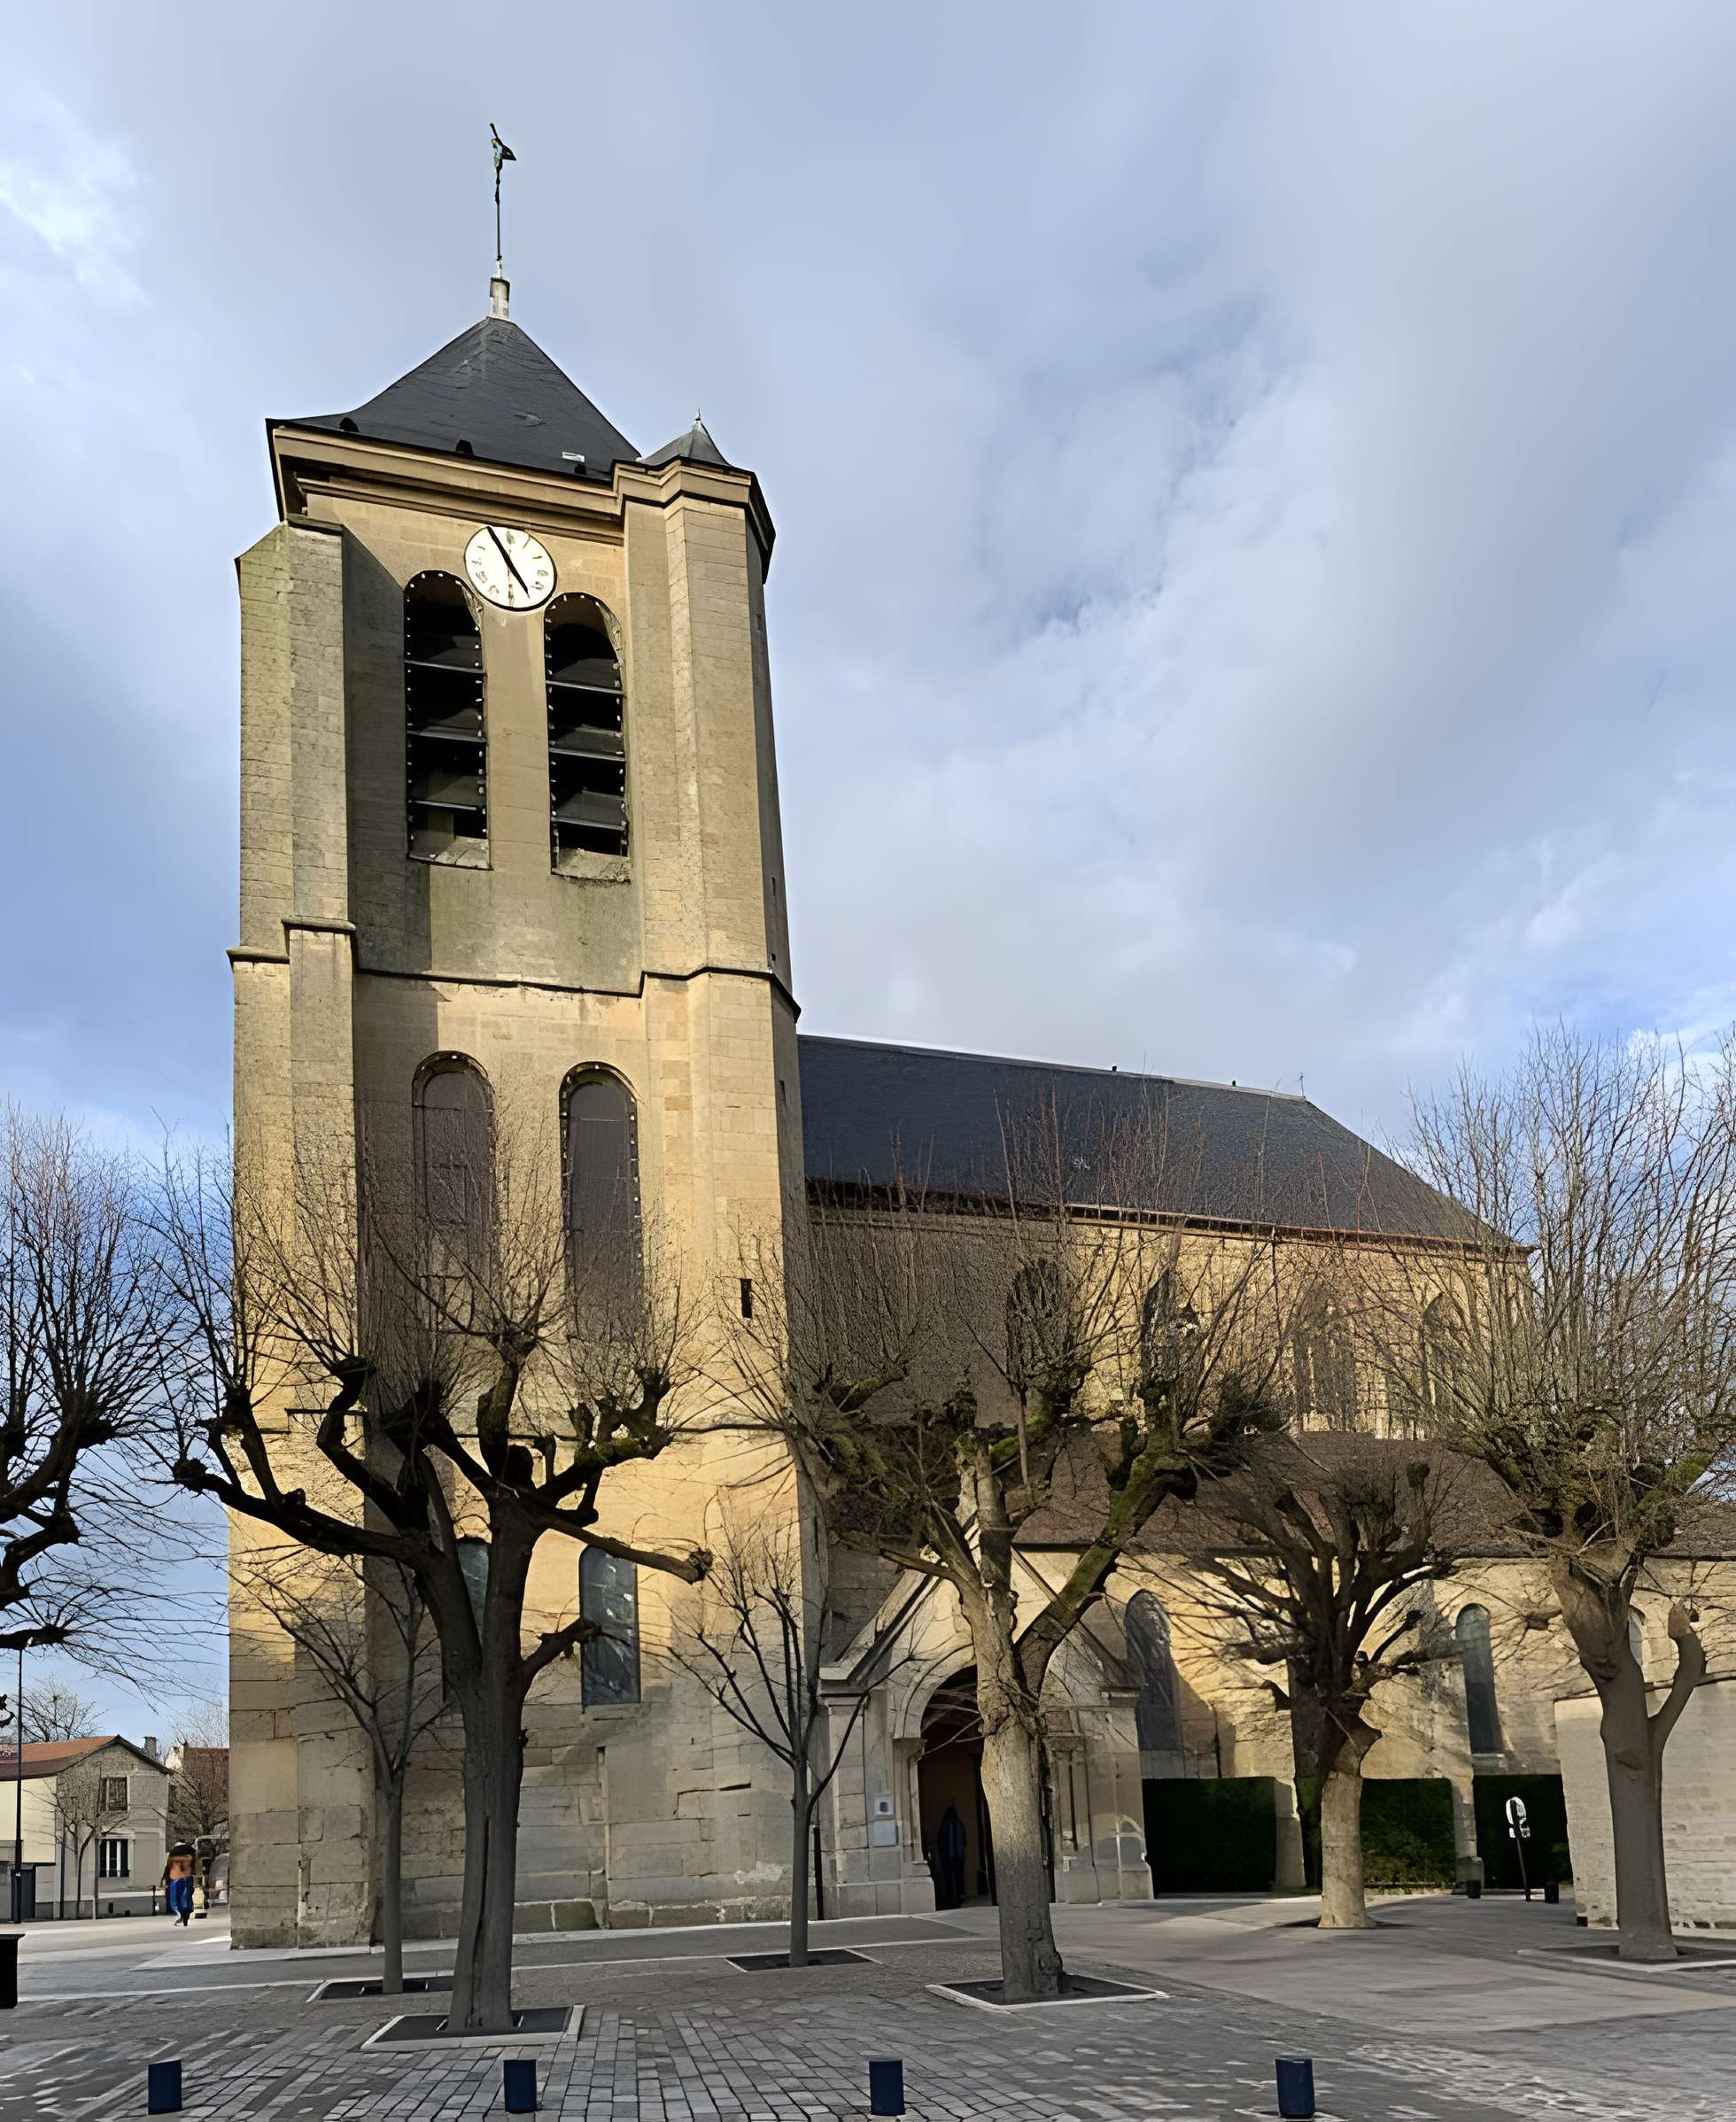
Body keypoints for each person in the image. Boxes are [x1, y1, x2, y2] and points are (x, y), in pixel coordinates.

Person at [162, 1844, 198, 1926]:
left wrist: (165, 1880)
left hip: (175, 1880)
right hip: (188, 1879)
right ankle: (185, 1918)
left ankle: (181, 1916)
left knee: (175, 1901)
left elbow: (167, 1868)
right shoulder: (190, 1857)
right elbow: (195, 1870)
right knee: (186, 1900)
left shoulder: (172, 1858)